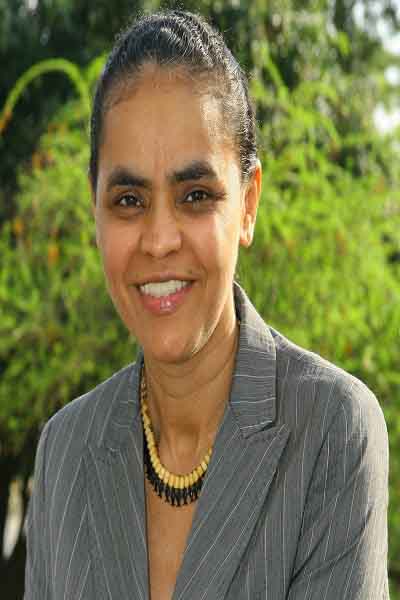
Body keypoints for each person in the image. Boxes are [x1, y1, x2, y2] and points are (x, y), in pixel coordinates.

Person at [24, 9, 389, 600]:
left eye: (195, 195)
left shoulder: (331, 431)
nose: (159, 239)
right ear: (94, 209)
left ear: (248, 204)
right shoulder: (65, 450)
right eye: (128, 199)